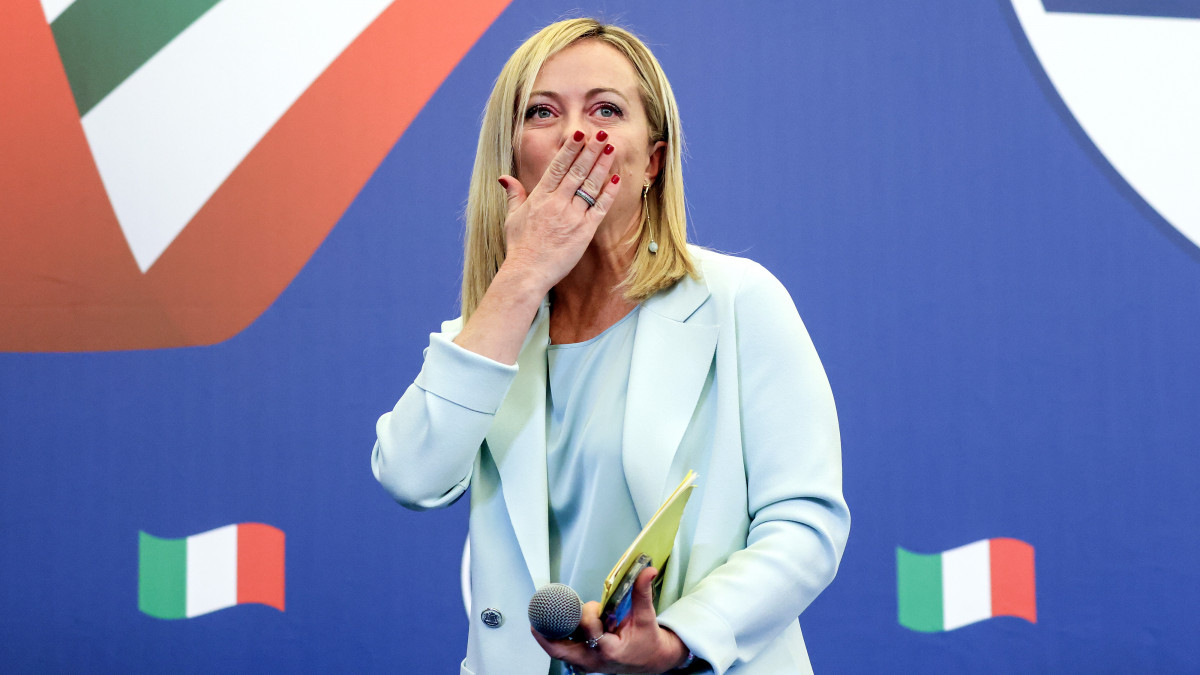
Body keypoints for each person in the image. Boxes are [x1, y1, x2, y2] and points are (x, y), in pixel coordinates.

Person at [372, 18, 849, 675]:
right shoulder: (489, 334)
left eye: (606, 109)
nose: (577, 133)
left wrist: (680, 637)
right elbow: (411, 475)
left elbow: (804, 526)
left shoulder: (739, 300)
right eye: (543, 111)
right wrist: (522, 274)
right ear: (511, 163)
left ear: (652, 160)